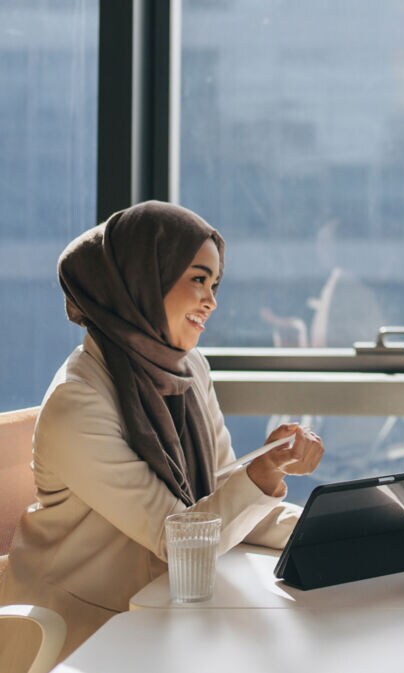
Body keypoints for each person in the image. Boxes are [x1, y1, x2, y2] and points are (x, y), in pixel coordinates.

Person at [0, 201, 323, 663]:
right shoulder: (78, 402)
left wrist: (361, 526)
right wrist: (261, 478)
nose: (212, 300)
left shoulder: (189, 369)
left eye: (215, 283)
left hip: (163, 611)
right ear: (142, 281)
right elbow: (178, 538)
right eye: (197, 279)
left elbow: (221, 497)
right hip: (85, 636)